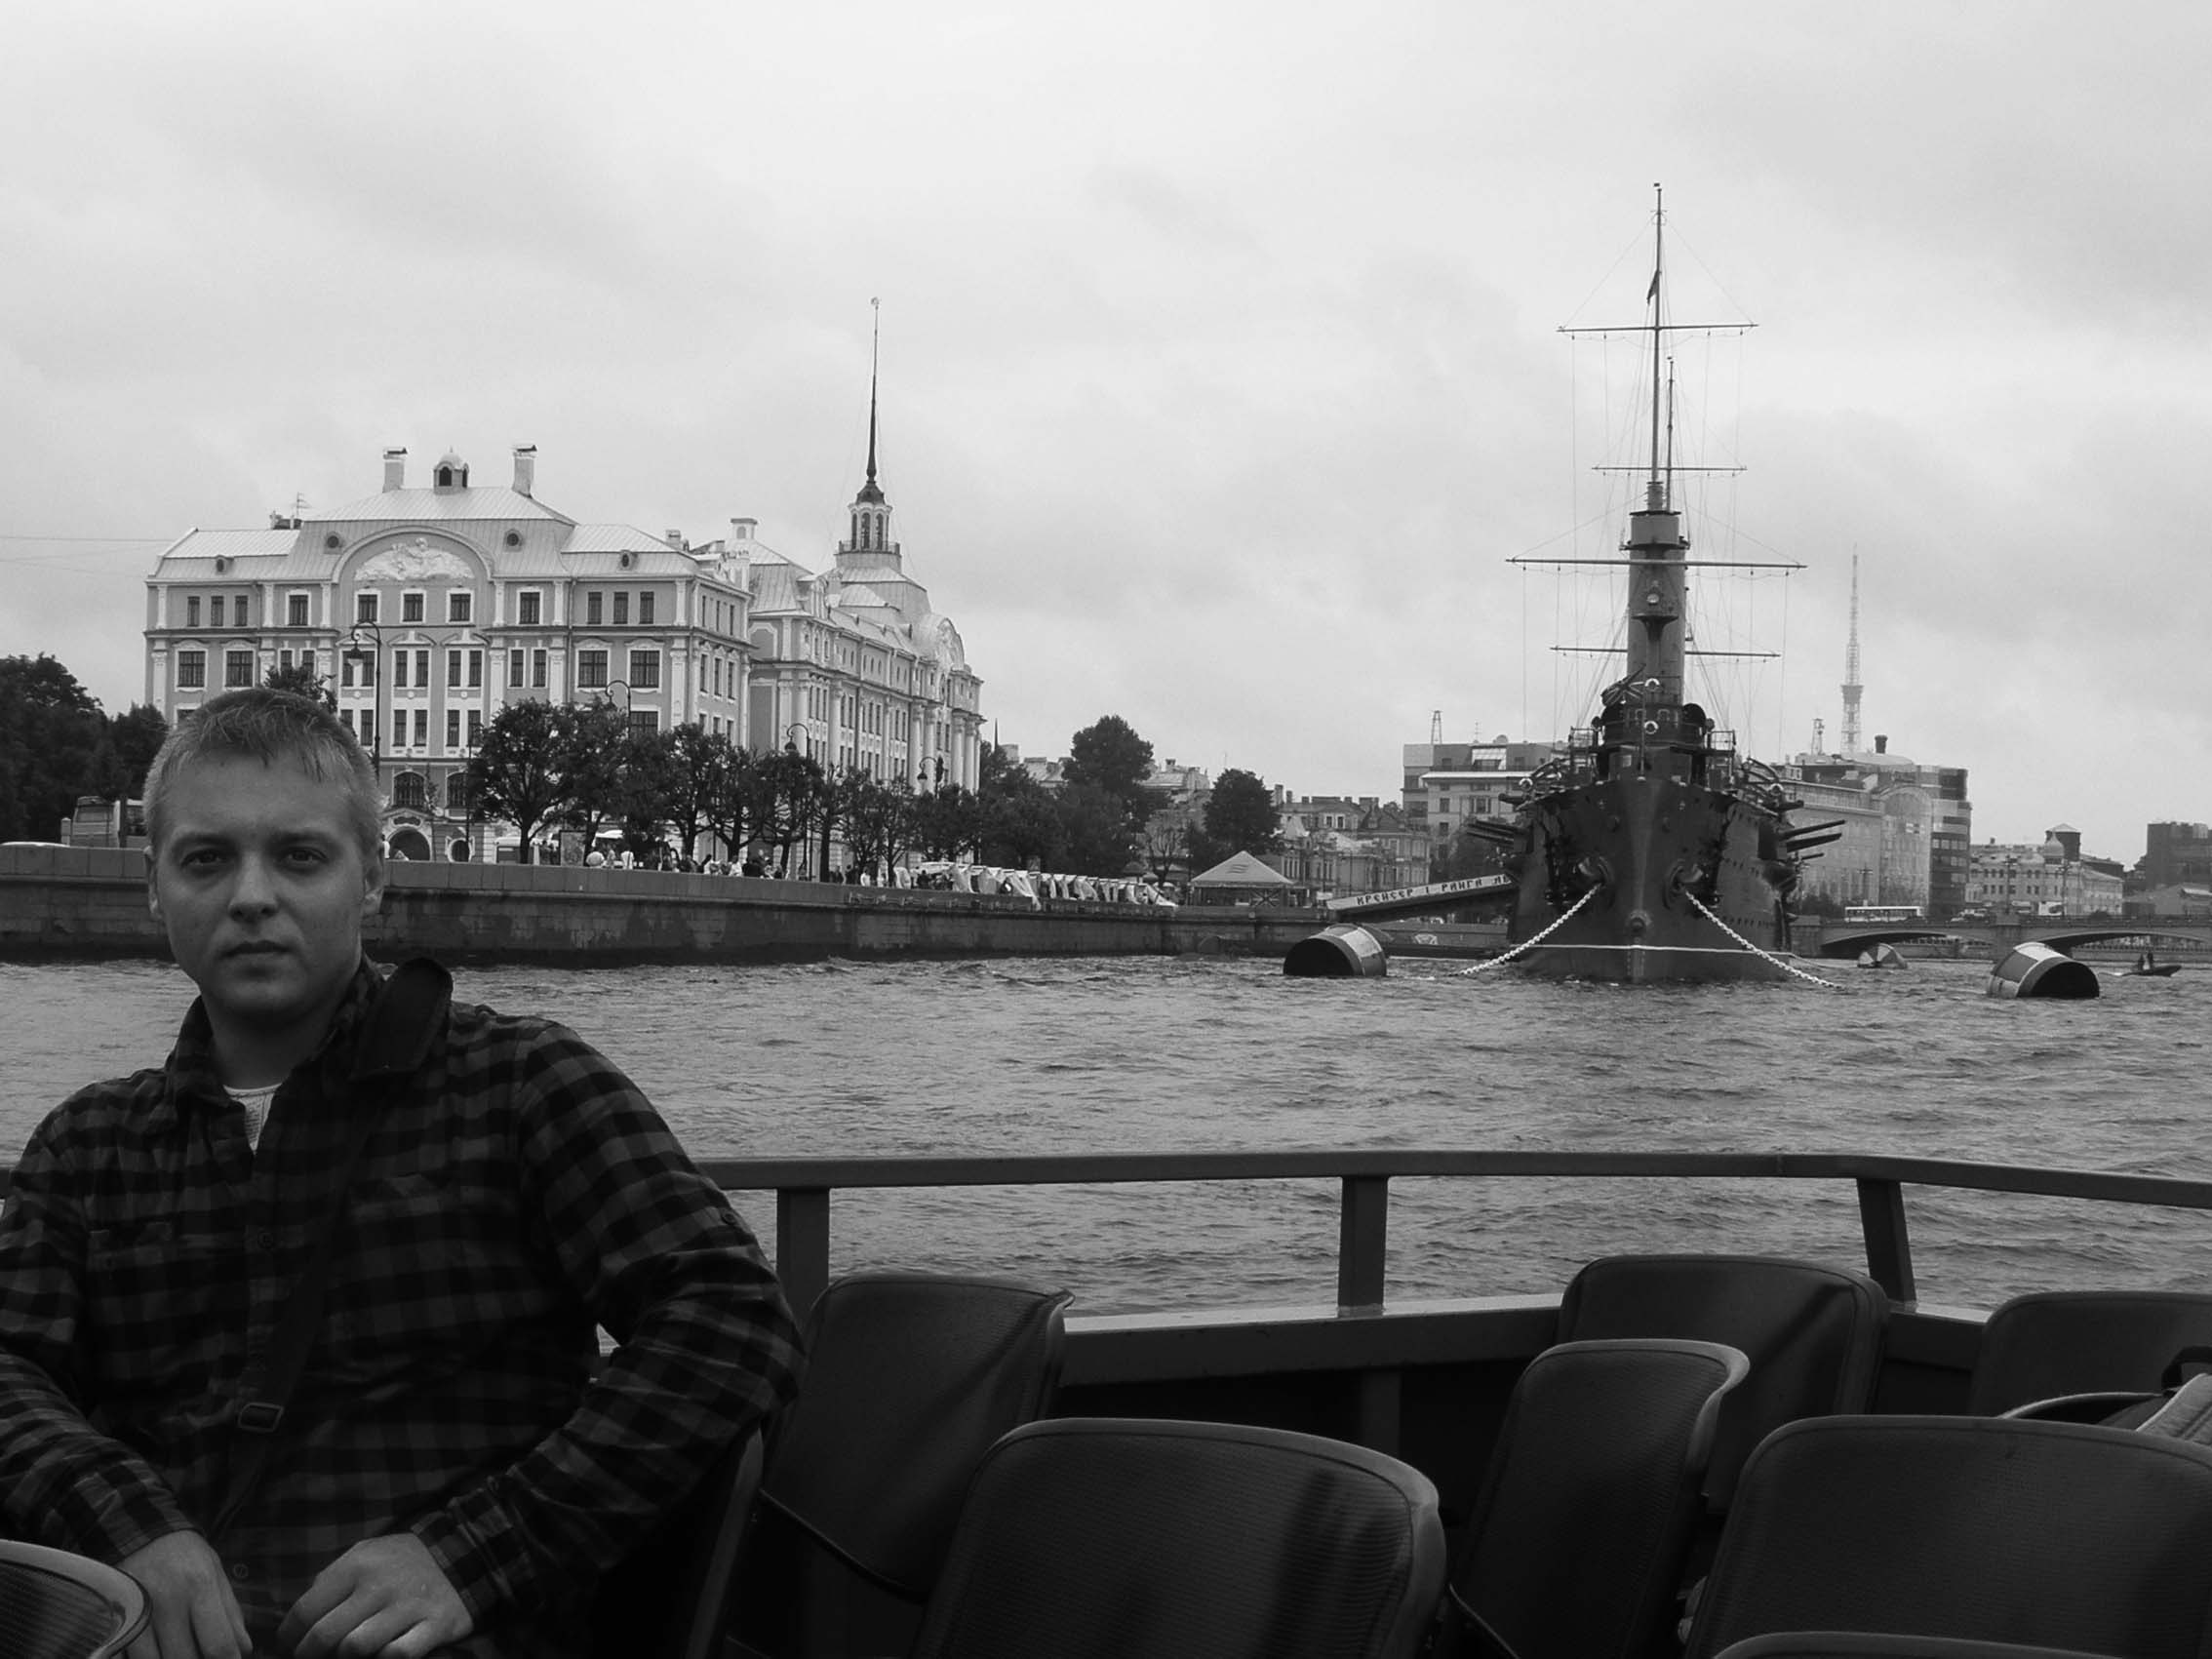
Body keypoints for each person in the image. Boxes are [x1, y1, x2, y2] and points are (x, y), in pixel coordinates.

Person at [0, 689, 803, 1659]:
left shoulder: (522, 1086)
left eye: (299, 856)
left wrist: (475, 1554)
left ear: (373, 879)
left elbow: (732, 1320)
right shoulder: (87, 1147)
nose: (252, 895)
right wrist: (129, 1527)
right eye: (206, 859)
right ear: (154, 887)